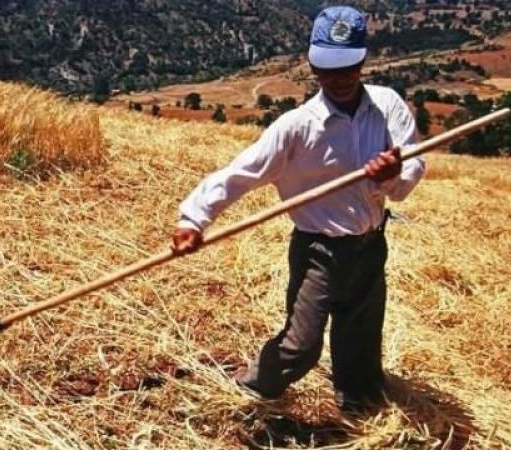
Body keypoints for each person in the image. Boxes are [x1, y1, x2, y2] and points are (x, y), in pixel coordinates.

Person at [171, 5, 425, 413]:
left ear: (362, 60)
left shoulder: (387, 106)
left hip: (371, 245)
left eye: (347, 67)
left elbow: (409, 174)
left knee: (360, 332)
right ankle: (251, 387)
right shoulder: (298, 126)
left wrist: (391, 175)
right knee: (301, 344)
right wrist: (194, 219)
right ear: (312, 64)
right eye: (326, 69)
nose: (337, 79)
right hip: (318, 252)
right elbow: (242, 173)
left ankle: (357, 401)